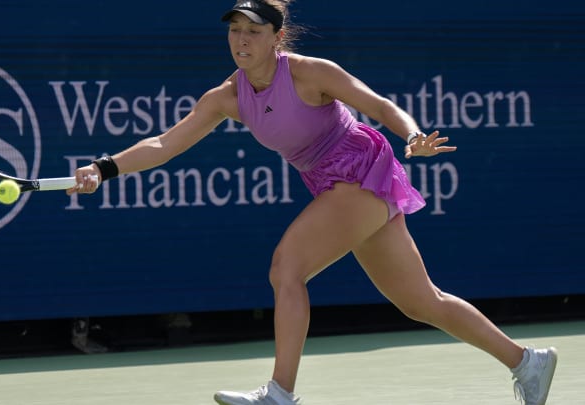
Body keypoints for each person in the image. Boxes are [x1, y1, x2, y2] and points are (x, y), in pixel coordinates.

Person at [67, 1, 558, 403]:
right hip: (330, 183)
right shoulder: (226, 97)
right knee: (420, 302)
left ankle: (280, 392)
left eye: (253, 31)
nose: (241, 40)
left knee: (286, 268)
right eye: (234, 30)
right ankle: (527, 362)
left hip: (362, 168)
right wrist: (102, 168)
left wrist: (412, 136)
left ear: (276, 38)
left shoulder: (309, 73)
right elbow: (163, 144)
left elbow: (379, 105)